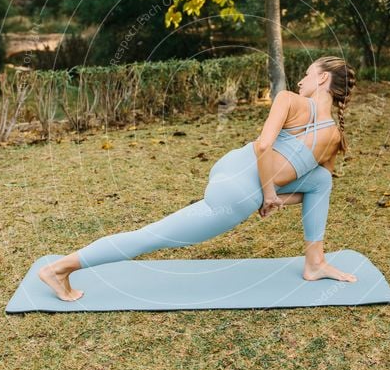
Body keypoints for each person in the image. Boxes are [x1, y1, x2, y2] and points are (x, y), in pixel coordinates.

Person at [39, 56, 358, 301]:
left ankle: (315, 262)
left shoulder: (289, 99)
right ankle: (58, 269)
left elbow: (270, 152)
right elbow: (269, 151)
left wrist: (269, 195)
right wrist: (269, 193)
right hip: (237, 196)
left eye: (307, 74)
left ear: (322, 77)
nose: (302, 80)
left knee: (320, 180)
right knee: (151, 236)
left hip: (232, 167)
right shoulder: (335, 136)